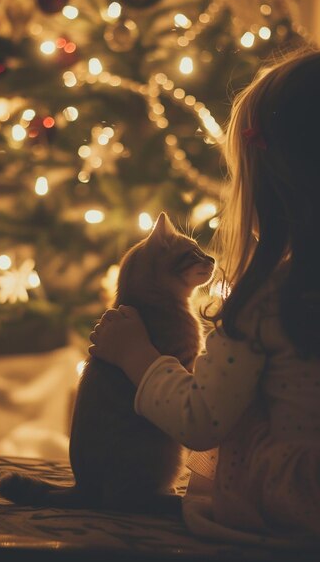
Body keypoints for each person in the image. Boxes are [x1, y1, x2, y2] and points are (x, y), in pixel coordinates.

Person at [89, 48, 320, 545]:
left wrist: (137, 356)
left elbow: (202, 419)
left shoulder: (268, 302)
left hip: (296, 508)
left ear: (268, 183)